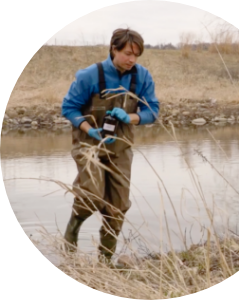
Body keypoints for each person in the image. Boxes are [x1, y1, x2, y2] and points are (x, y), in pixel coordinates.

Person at [61, 28, 159, 264]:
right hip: (89, 146)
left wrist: (131, 118)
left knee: (118, 207)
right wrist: (88, 129)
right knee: (93, 195)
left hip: (121, 149)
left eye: (136, 55)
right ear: (113, 49)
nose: (132, 60)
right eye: (127, 53)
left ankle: (105, 262)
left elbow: (152, 111)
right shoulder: (89, 76)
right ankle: (73, 228)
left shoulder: (141, 77)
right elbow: (69, 108)